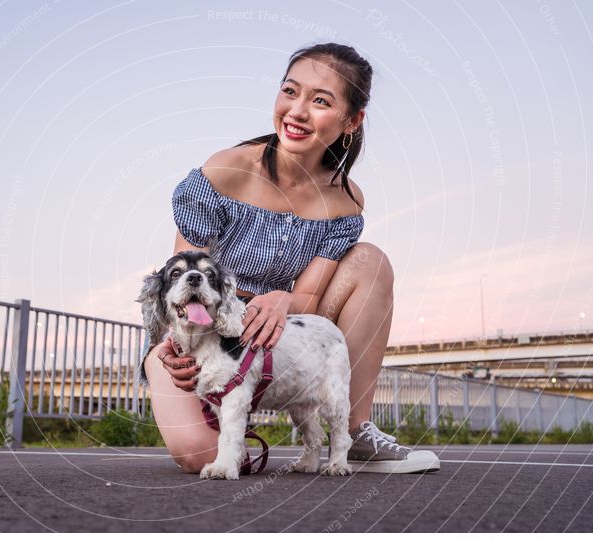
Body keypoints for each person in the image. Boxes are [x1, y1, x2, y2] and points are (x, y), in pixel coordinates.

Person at [140, 42, 439, 474]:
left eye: (320, 101)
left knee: (370, 261)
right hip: (204, 337)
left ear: (351, 120)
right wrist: (174, 349)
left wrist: (282, 299)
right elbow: (185, 282)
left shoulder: (345, 201)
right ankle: (221, 420)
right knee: (200, 457)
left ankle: (353, 430)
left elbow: (310, 295)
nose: (297, 111)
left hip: (277, 339)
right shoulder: (225, 171)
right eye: (289, 91)